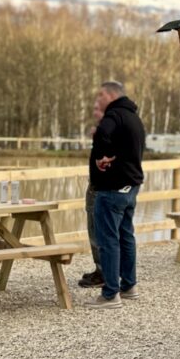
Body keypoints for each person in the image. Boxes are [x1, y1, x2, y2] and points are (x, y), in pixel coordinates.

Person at [85, 80, 146, 310]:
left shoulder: (113, 115)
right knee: (126, 236)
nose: (97, 99)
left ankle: (111, 294)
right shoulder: (133, 117)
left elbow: (102, 134)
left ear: (110, 95)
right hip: (131, 187)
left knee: (108, 240)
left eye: (100, 94)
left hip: (112, 189)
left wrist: (101, 156)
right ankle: (129, 286)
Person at [78, 100, 105, 289]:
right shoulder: (106, 128)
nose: (94, 112)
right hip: (96, 184)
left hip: (100, 188)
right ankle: (101, 270)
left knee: (97, 231)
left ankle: (103, 272)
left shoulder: (109, 129)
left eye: (97, 109)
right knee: (96, 230)